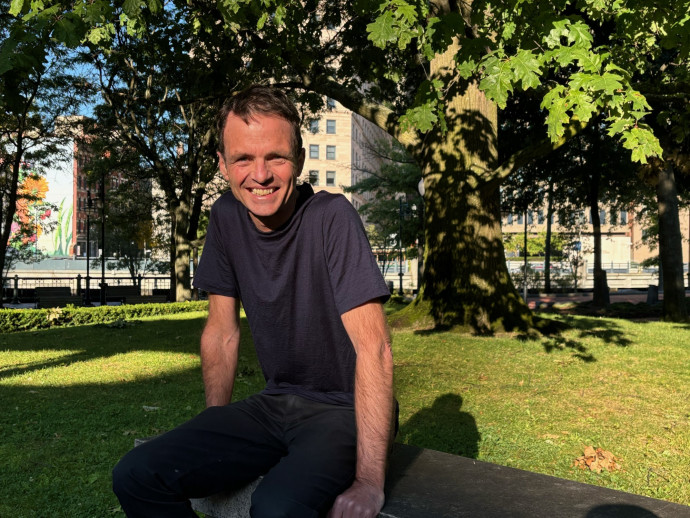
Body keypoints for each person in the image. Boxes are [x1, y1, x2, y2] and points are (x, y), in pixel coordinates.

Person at [112, 84, 395, 518]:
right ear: (223, 164)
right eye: (243, 158)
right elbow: (221, 332)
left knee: (275, 507)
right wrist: (215, 427)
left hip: (343, 409)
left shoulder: (332, 217)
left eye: (276, 158)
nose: (260, 175)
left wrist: (370, 482)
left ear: (299, 159)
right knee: (136, 474)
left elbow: (374, 348)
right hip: (275, 403)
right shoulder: (225, 216)